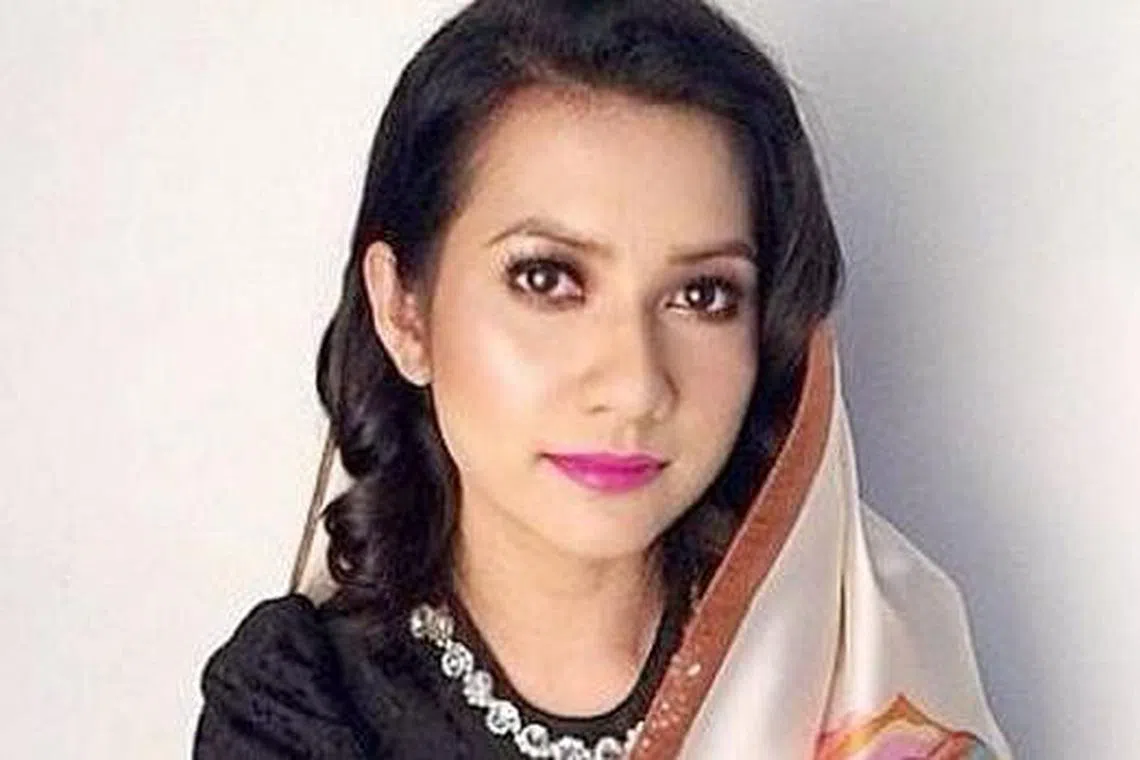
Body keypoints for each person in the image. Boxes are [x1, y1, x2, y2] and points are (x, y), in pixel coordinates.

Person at [193, 1, 1011, 757]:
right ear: (404, 312)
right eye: (547, 279)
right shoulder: (300, 703)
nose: (635, 384)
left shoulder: (857, 655)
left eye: (702, 295)